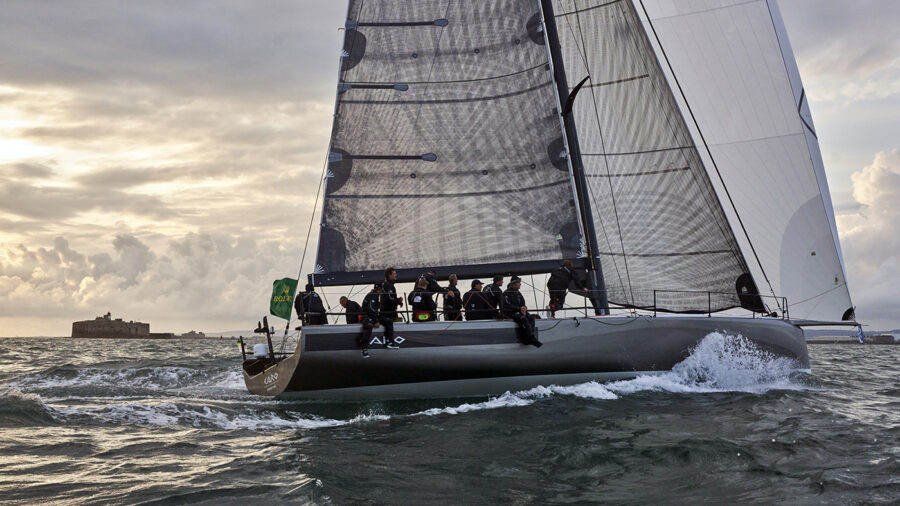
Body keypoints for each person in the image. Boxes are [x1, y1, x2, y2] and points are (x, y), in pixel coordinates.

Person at [359, 282, 400, 358]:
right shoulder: (372, 295)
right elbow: (371, 309)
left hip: (373, 315)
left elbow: (374, 310)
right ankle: (364, 349)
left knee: (388, 321)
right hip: (366, 316)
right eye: (381, 290)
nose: (381, 293)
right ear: (379, 289)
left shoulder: (375, 295)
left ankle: (390, 342)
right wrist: (376, 321)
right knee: (369, 326)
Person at [502, 276, 541, 347]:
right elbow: (507, 305)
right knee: (523, 318)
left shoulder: (518, 293)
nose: (520, 284)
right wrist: (519, 309)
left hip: (519, 311)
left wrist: (524, 308)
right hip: (510, 313)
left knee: (531, 317)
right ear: (514, 284)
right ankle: (530, 338)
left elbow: (523, 303)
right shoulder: (506, 293)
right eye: (519, 283)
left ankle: (529, 337)